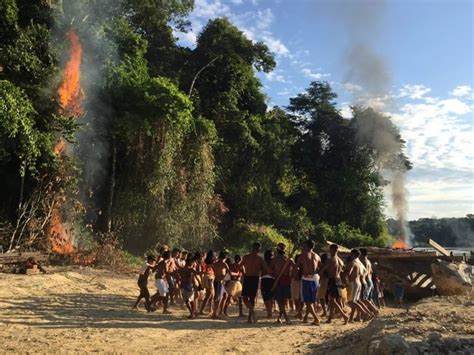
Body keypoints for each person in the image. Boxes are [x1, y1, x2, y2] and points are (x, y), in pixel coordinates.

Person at [241, 242, 267, 323]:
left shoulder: (259, 259)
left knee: (250, 298)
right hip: (249, 278)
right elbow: (240, 266)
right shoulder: (247, 257)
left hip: (253, 278)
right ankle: (252, 312)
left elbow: (265, 268)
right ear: (257, 249)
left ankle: (250, 317)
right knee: (246, 298)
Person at [297, 239, 321, 326]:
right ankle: (306, 317)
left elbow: (297, 267)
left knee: (307, 301)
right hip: (315, 278)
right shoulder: (317, 256)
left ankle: (316, 318)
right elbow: (320, 268)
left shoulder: (302, 255)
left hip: (306, 279)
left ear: (307, 246)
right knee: (311, 300)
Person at [324, 244, 349, 324]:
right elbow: (345, 271)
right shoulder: (340, 260)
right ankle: (330, 318)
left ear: (331, 250)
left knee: (332, 300)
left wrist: (319, 272)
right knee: (333, 300)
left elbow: (323, 269)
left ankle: (344, 316)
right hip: (338, 280)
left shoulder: (330, 260)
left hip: (333, 280)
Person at [345, 249, 370, 322]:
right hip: (359, 283)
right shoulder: (359, 263)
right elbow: (365, 271)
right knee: (356, 301)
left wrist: (344, 273)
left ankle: (366, 313)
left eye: (351, 254)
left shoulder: (353, 263)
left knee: (351, 302)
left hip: (353, 283)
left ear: (354, 254)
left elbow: (348, 273)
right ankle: (367, 312)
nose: (350, 255)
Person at [271, 243, 293, 324]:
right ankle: (280, 318)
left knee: (280, 301)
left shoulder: (274, 259)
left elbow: (270, 270)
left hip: (279, 280)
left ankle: (286, 317)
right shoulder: (289, 259)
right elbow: (296, 268)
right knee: (283, 300)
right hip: (286, 280)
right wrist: (291, 276)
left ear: (277, 250)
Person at [211, 251, 230, 319]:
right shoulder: (224, 264)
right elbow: (229, 272)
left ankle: (219, 312)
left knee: (224, 295)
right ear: (225, 257)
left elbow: (215, 271)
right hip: (219, 281)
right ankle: (214, 313)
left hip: (217, 281)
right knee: (218, 297)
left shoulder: (215, 264)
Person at [198, 251, 215, 315]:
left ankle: (210, 309)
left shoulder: (205, 261)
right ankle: (201, 310)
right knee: (209, 295)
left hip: (209, 277)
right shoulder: (211, 262)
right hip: (209, 277)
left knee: (211, 295)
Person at [261, 249, 275, 319]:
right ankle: (270, 312)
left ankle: (269, 313)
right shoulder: (273, 262)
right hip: (272, 280)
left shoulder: (263, 262)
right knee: (271, 296)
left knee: (266, 297)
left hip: (265, 279)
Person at [291, 254, 303, 319]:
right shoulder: (302, 266)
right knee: (300, 299)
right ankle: (299, 312)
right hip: (300, 282)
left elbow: (295, 276)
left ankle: (299, 313)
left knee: (297, 299)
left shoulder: (297, 266)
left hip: (296, 283)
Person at [317, 253, 329, 317]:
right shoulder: (330, 264)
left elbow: (320, 273)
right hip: (330, 281)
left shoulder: (324, 265)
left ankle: (325, 311)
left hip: (324, 281)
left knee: (321, 297)